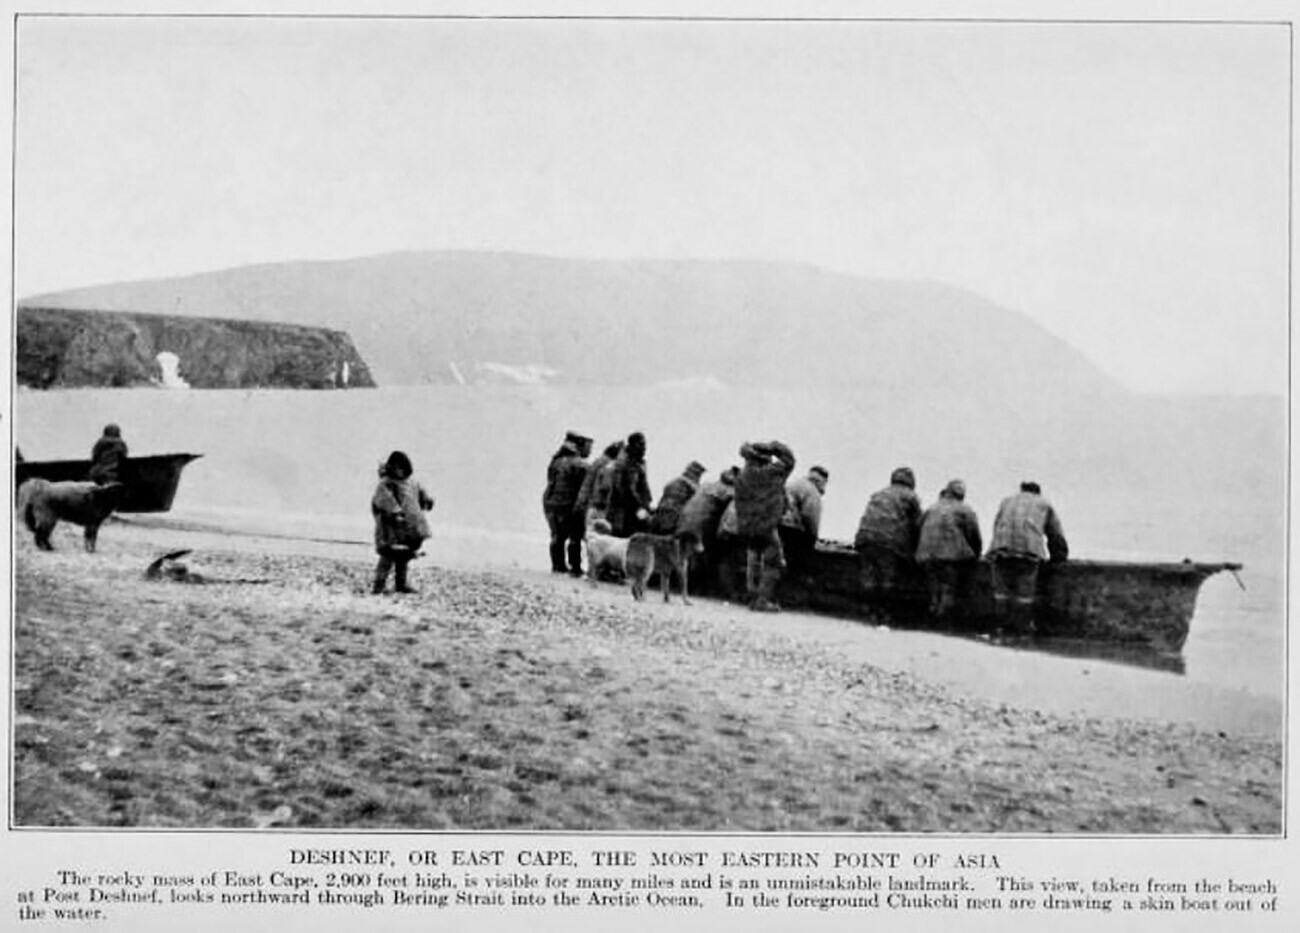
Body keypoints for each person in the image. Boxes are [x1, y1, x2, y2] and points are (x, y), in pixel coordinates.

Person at [986, 481, 1069, 633]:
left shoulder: (1007, 501)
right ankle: (1021, 628)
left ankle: (999, 626)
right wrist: (1059, 556)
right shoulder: (1043, 503)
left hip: (1001, 548)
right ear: (1038, 492)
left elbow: (997, 524)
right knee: (1025, 592)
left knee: (1001, 592)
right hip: (1028, 551)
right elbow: (1055, 533)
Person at [734, 440, 797, 612]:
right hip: (766, 525)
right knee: (774, 562)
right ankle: (763, 600)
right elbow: (790, 461)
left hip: (746, 524)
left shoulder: (742, 476)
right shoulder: (770, 473)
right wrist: (775, 446)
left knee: (753, 558)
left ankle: (752, 597)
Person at [915, 479, 983, 622]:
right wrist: (976, 555)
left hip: (925, 554)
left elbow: (917, 528)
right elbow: (974, 536)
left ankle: (932, 613)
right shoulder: (966, 510)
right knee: (948, 587)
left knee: (934, 585)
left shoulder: (932, 507)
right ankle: (943, 619)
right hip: (950, 557)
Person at [371, 450, 435, 595]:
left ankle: (401, 584)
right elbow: (382, 499)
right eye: (396, 467)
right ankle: (378, 586)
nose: (399, 471)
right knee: (387, 556)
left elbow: (420, 494)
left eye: (402, 467)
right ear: (390, 467)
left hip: (410, 527)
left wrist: (427, 499)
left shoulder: (412, 482)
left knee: (404, 556)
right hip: (391, 528)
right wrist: (394, 513)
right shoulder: (386, 483)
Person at [854, 466, 923, 601]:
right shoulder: (911, 497)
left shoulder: (879, 494)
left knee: (869, 576)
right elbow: (917, 525)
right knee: (888, 578)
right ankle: (884, 614)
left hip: (865, 538)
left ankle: (868, 610)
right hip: (889, 543)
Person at [542, 430, 593, 575]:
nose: (589, 450)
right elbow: (584, 490)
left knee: (557, 536)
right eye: (588, 446)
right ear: (580, 445)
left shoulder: (556, 461)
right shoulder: (582, 465)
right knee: (575, 537)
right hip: (569, 505)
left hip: (551, 504)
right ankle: (575, 568)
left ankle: (557, 566)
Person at [779, 465, 829, 578]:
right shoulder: (812, 492)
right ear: (822, 481)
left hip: (776, 524)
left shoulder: (794, 483)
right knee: (802, 557)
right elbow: (810, 517)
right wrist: (814, 537)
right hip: (790, 528)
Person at [605, 431, 652, 537]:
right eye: (641, 444)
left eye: (644, 445)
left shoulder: (637, 463)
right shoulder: (628, 464)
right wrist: (640, 508)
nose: (644, 448)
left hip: (630, 511)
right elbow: (630, 490)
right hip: (628, 513)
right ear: (632, 445)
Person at [647, 460, 706, 534]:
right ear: (695, 473)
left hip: (657, 520)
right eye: (699, 475)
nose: (699, 478)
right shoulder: (691, 486)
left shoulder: (673, 482)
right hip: (673, 522)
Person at [574, 440, 623, 529]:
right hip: (599, 509)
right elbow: (605, 488)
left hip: (590, 507)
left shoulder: (598, 462)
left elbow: (587, 486)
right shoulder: (608, 466)